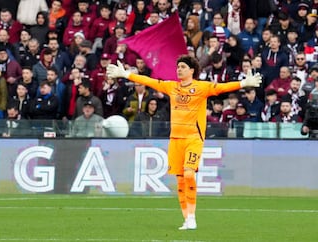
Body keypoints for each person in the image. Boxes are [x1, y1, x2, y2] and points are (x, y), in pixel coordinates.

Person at [107, 55, 262, 230]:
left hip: (193, 138)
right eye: (178, 66)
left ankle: (193, 216)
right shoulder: (172, 87)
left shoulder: (201, 87)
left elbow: (221, 87)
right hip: (175, 140)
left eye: (182, 67)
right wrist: (126, 74)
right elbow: (149, 81)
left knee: (189, 174)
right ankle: (187, 218)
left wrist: (243, 83)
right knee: (180, 181)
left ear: (191, 70)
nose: (179, 69)